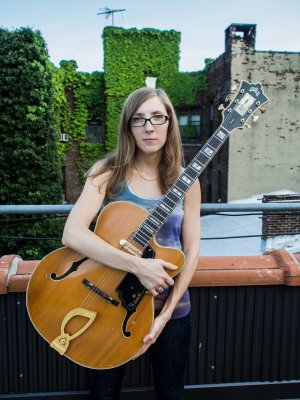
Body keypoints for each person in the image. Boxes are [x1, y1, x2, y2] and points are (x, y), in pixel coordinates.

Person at [62, 86, 201, 400]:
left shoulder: (187, 181)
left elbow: (192, 252)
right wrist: (139, 266)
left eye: (157, 117)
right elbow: (72, 234)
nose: (149, 126)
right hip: (106, 305)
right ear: (128, 127)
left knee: (172, 394)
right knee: (103, 393)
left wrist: (164, 318)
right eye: (138, 119)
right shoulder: (107, 173)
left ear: (170, 123)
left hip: (172, 311)